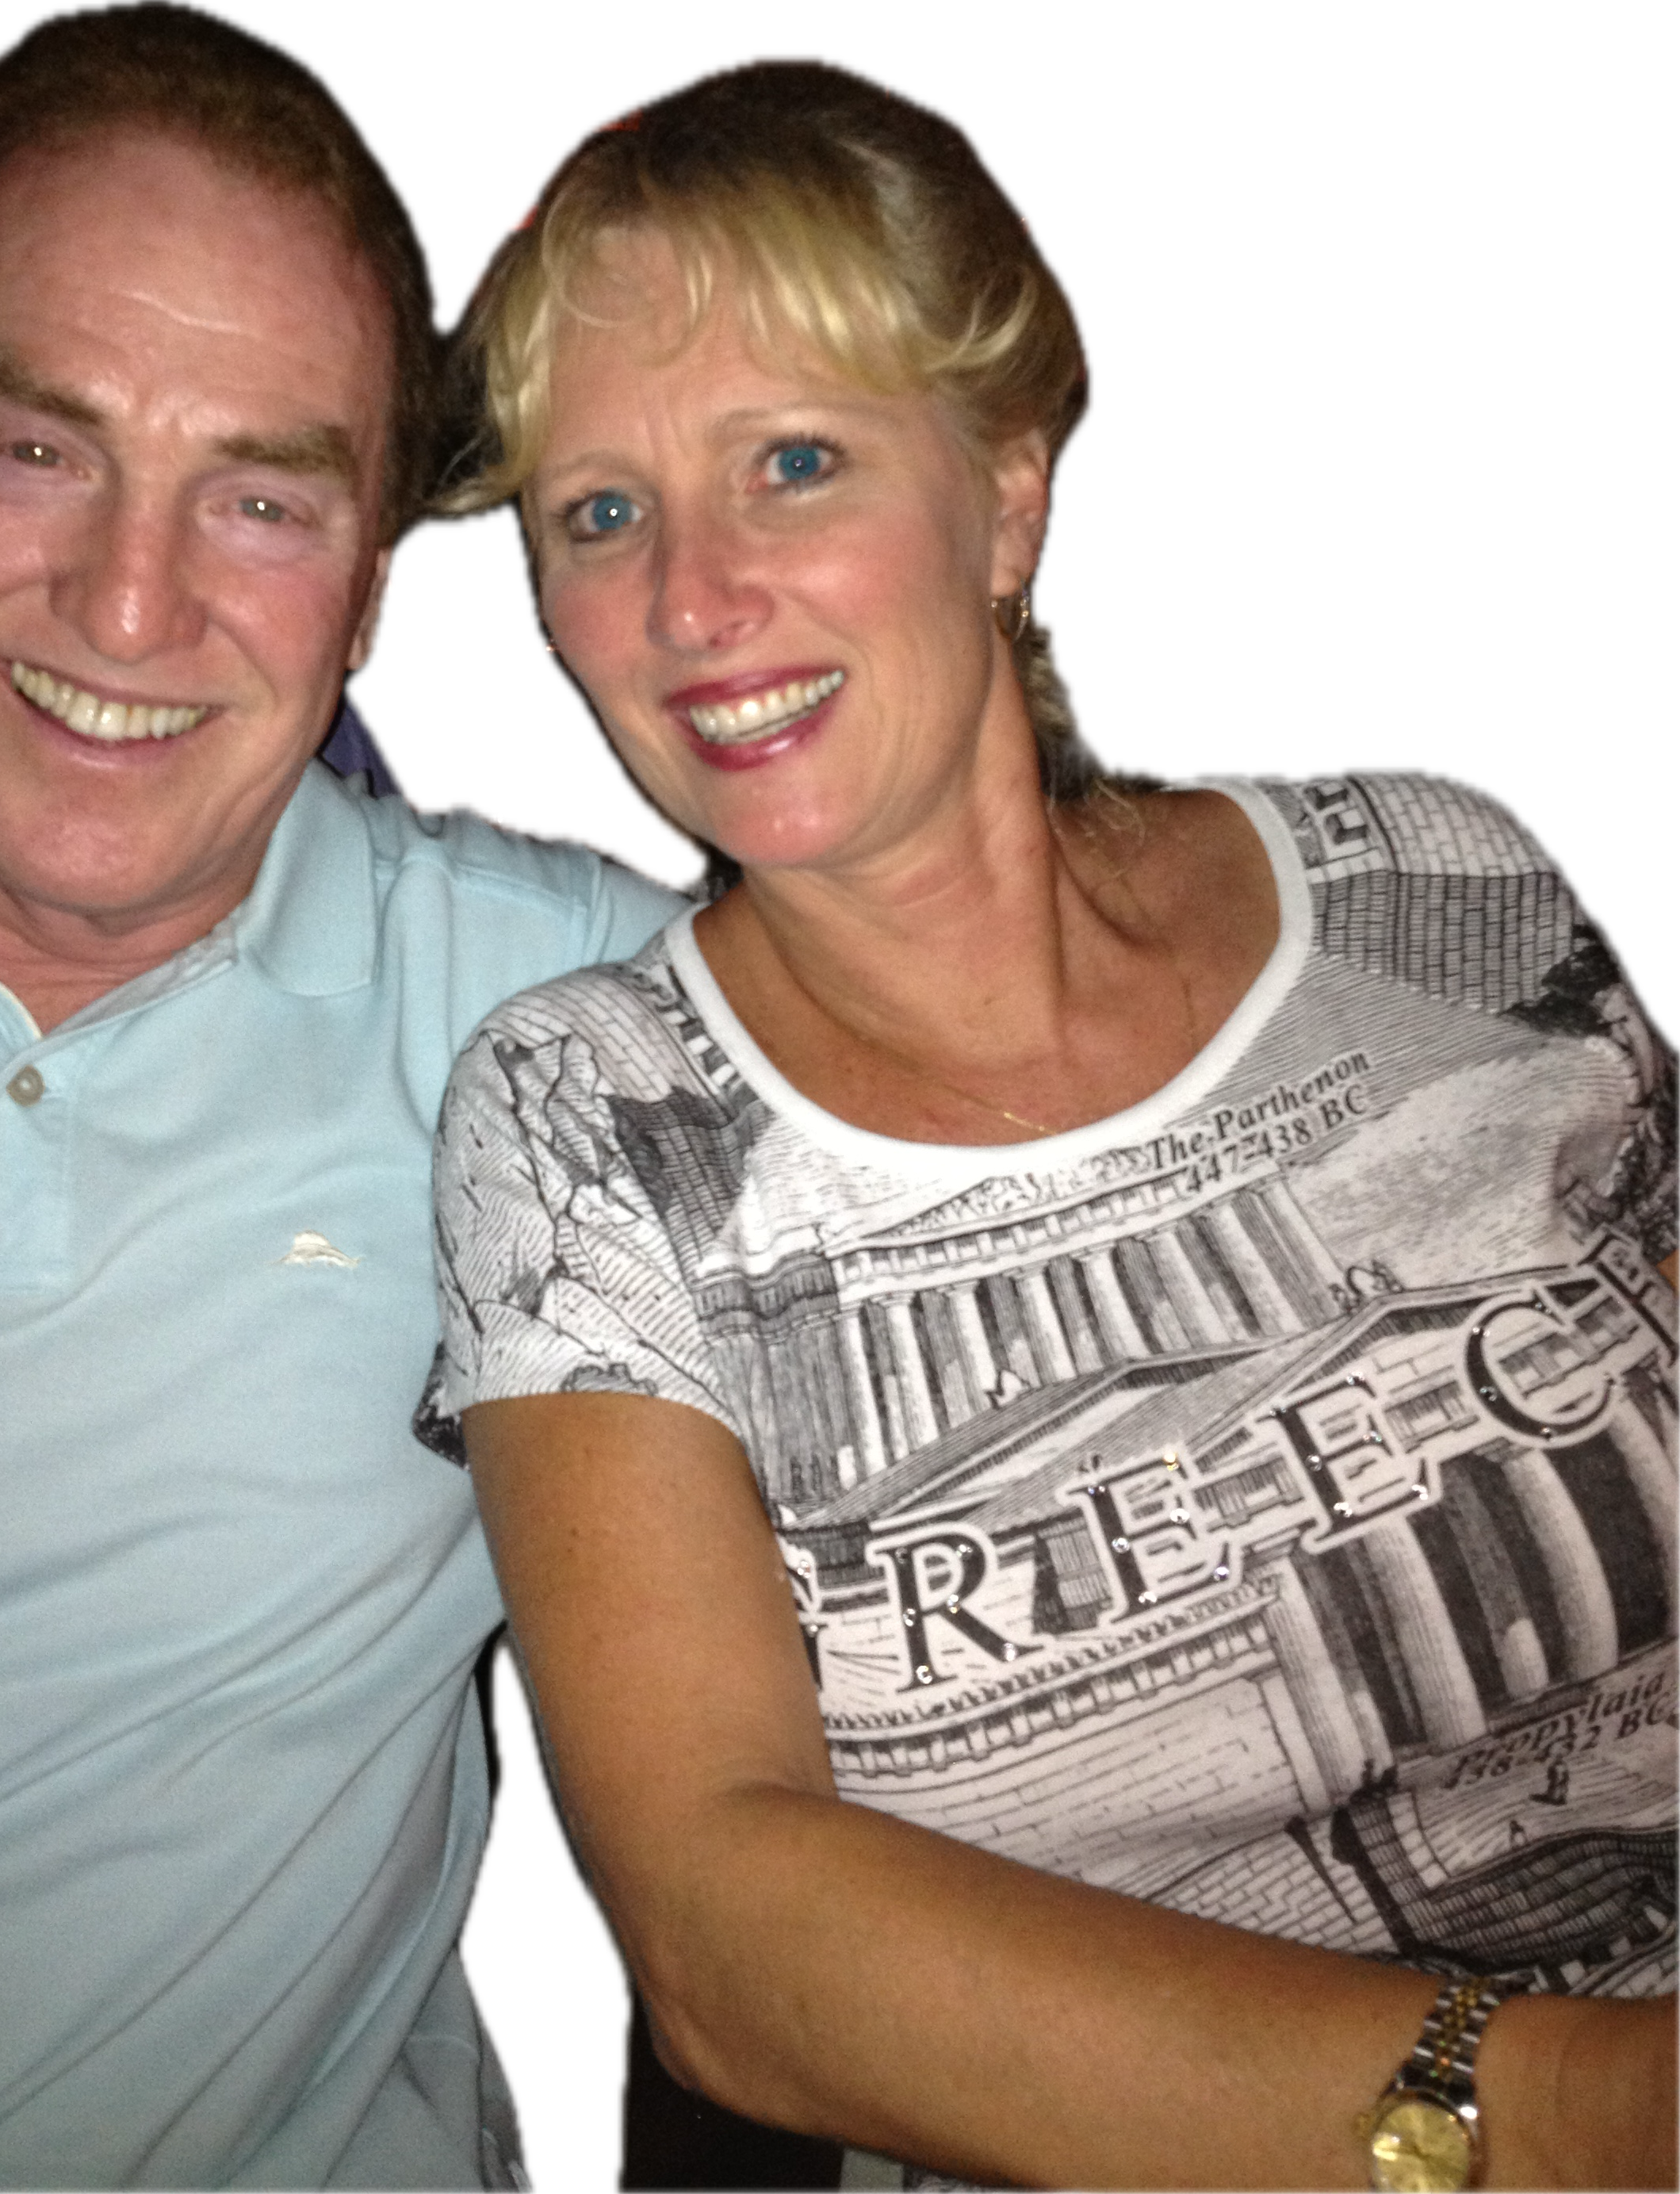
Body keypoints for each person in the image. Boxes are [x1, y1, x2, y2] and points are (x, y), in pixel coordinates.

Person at [421, 57, 1680, 2194]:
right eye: (601, 511)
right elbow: (724, 1929)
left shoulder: (1443, 886)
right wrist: (1555, 2115)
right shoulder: (587, 1116)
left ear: (1005, 492)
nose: (693, 598)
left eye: (791, 462)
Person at [0, 8, 680, 2188]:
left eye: (257, 495)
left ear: (366, 594)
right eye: (38, 449)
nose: (132, 600)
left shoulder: (544, 1001)